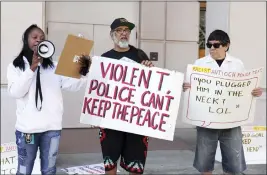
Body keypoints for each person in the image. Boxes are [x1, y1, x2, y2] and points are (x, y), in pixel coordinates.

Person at [7, 24, 91, 175]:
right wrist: (31, 69)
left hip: (52, 129)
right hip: (28, 131)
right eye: (34, 37)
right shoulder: (15, 67)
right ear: (26, 40)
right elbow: (16, 92)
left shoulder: (54, 67)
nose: (39, 41)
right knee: (24, 170)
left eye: (42, 38)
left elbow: (72, 86)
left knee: (49, 170)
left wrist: (83, 73)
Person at [183, 29, 263, 175]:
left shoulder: (237, 64)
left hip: (231, 120)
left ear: (226, 46)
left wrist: (255, 92)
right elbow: (192, 88)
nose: (212, 49)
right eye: (209, 45)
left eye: (216, 45)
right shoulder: (200, 63)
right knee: (205, 162)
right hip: (206, 120)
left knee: (234, 162)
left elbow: (243, 89)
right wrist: (186, 87)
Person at [99, 17, 154, 175]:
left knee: (136, 163)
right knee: (109, 161)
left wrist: (151, 70)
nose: (124, 33)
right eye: (119, 30)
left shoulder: (139, 55)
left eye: (127, 30)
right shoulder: (104, 58)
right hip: (111, 118)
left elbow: (151, 85)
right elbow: (98, 88)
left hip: (136, 120)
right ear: (112, 34)